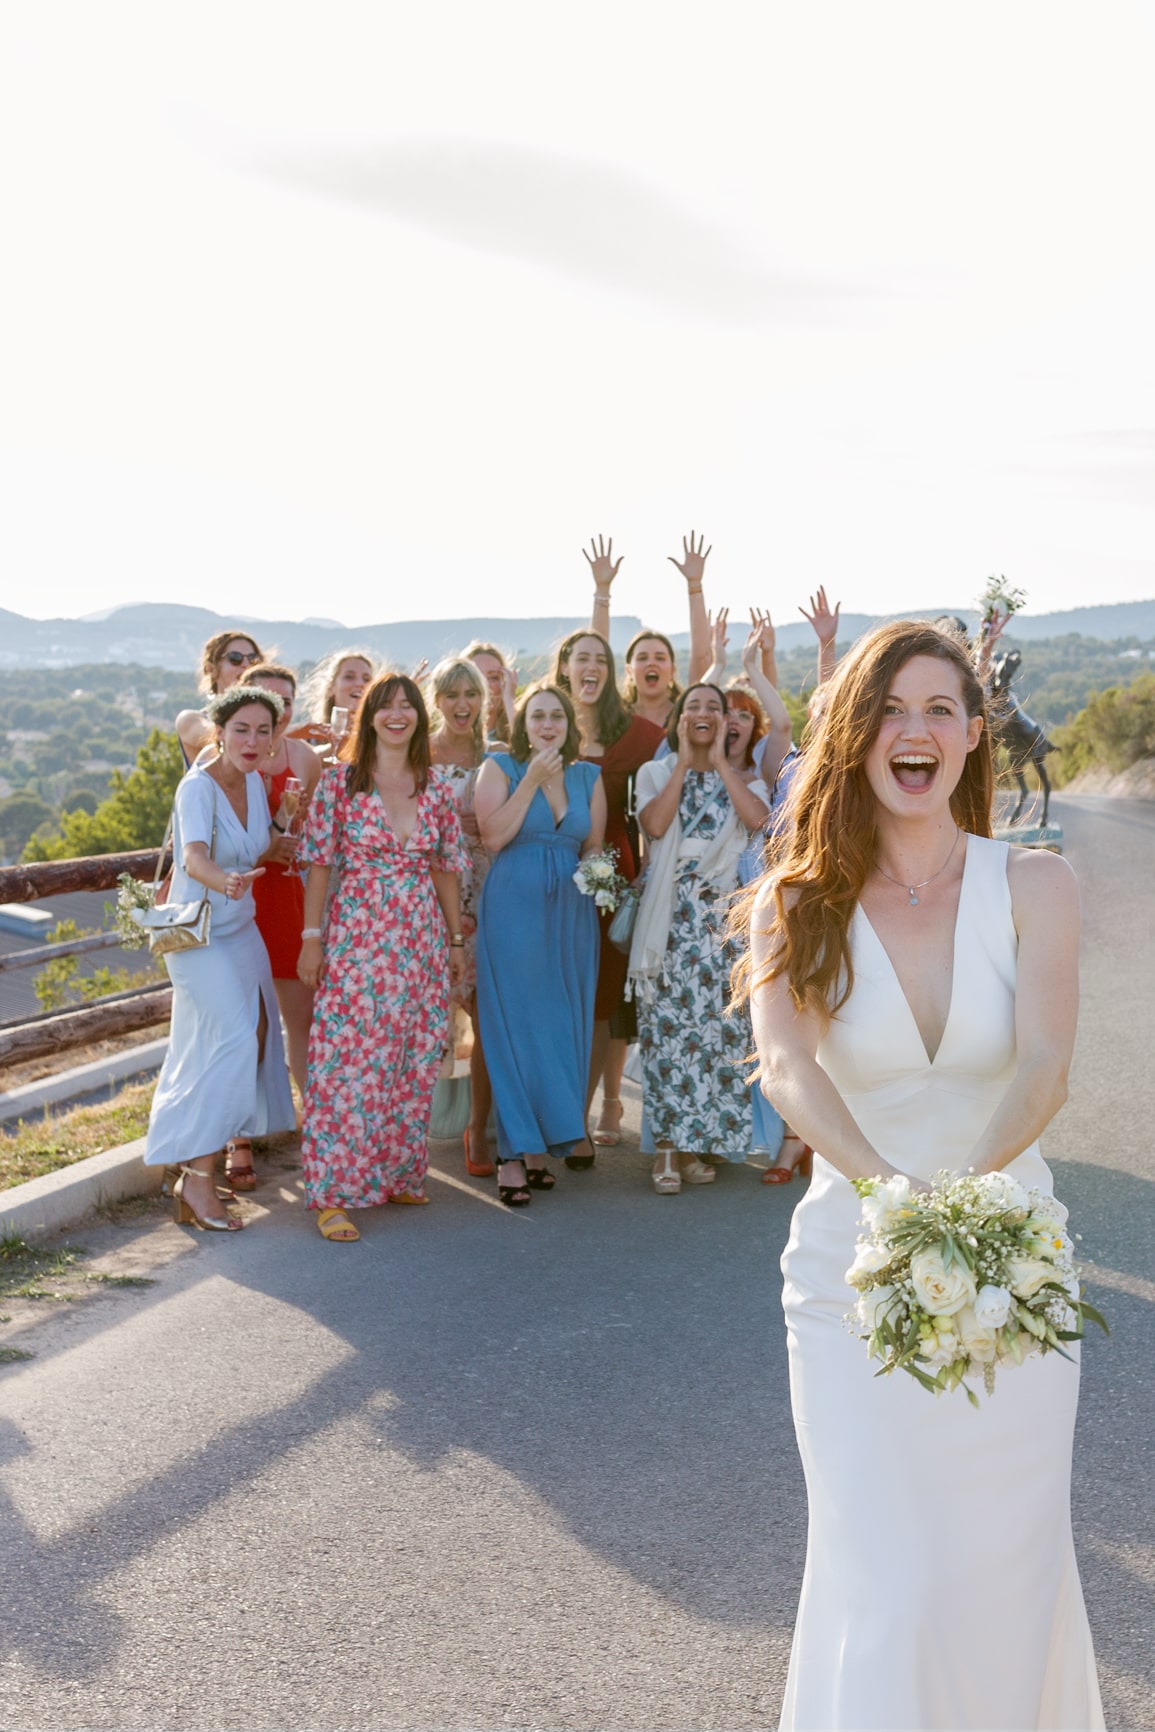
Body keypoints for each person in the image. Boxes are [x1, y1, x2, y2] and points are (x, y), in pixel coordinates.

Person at [743, 619, 1102, 1730]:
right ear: (853, 738)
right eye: (891, 708)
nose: (916, 729)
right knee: (887, 1568)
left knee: (1003, 1571)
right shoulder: (794, 903)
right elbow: (790, 1072)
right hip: (849, 1269)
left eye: (940, 708)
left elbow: (1045, 1065)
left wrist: (963, 1201)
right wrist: (890, 1194)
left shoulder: (1037, 883)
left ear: (973, 736)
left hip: (1014, 1266)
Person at [296, 674, 468, 1242]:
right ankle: (332, 1192)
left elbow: (445, 868)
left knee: (410, 1054)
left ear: (420, 718)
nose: (397, 715)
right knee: (347, 1063)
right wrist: (311, 937)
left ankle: (395, 1171)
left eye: (407, 706)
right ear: (368, 718)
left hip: (418, 937)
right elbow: (320, 863)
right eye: (385, 707)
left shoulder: (436, 786)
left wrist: (454, 943)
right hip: (358, 937)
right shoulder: (342, 784)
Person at [143, 685, 296, 1229]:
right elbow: (195, 857)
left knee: (253, 1038)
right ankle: (199, 1181)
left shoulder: (257, 782)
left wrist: (278, 841)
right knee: (232, 1039)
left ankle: (184, 1156)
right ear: (220, 732)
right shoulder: (197, 787)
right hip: (195, 935)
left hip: (239, 928)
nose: (252, 741)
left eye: (263, 731)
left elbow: (254, 846)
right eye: (241, 729)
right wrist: (224, 880)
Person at [629, 683, 770, 1194]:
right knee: (667, 1034)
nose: (706, 713)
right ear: (680, 718)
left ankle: (697, 1145)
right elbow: (656, 824)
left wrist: (720, 763)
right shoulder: (656, 772)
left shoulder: (744, 780)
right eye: (695, 707)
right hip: (670, 924)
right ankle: (667, 1148)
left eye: (717, 708)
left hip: (723, 928)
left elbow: (759, 823)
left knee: (717, 1036)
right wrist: (688, 763)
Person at [473, 683, 606, 1205]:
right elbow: (493, 837)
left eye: (556, 716)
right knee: (515, 1025)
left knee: (557, 1025)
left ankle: (537, 1148)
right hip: (514, 908)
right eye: (537, 717)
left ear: (570, 724)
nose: (547, 725)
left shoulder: (589, 775)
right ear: (522, 724)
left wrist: (604, 879)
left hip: (571, 914)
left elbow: (592, 844)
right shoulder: (499, 769)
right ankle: (510, 1152)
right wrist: (529, 781)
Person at [550, 626, 662, 1162]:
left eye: (601, 658)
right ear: (564, 668)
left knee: (601, 1000)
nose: (590, 667)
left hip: (610, 873)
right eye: (580, 658)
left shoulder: (637, 736)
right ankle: (546, 1107)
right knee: (554, 994)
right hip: (547, 872)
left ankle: (585, 1111)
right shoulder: (546, 727)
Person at [237, 661, 322, 1102]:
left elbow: (320, 832)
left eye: (286, 701)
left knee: (300, 1019)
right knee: (246, 1021)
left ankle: (320, 1130)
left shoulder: (305, 758)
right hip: (241, 893)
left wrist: (298, 838)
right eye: (270, 700)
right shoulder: (230, 756)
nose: (280, 709)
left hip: (287, 893)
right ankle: (240, 1135)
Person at [427, 654, 496, 1178]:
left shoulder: (495, 755)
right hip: (430, 893)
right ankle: (409, 1127)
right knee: (426, 1013)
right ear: (437, 701)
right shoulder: (419, 754)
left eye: (470, 694)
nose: (461, 705)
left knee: (484, 1015)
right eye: (451, 695)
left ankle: (479, 1124)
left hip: (487, 888)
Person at [175, 630, 263, 767]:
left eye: (253, 659)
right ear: (211, 668)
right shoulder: (190, 720)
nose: (246, 665)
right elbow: (223, 739)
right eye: (235, 658)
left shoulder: (267, 722)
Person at [292, 648, 377, 755]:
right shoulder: (308, 739)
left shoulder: (381, 741)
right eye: (349, 677)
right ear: (331, 688)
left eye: (366, 679)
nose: (360, 683)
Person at [462, 640, 517, 745]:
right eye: (477, 678)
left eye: (493, 678)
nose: (485, 686)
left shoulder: (520, 723)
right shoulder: (451, 735)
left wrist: (510, 702)